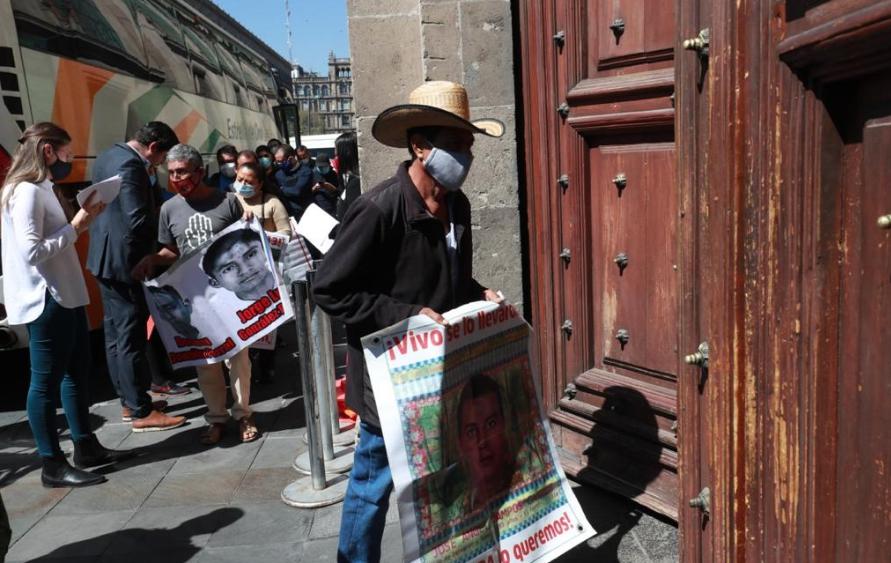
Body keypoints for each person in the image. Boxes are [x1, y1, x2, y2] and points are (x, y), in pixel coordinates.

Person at [312, 80, 505, 563]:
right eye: (457, 144)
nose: (467, 154)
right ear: (420, 146)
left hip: (438, 375)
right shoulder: (379, 209)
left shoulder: (455, 205)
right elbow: (329, 289)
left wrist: (477, 293)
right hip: (387, 381)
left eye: (469, 145)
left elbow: (448, 276)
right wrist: (403, 315)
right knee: (372, 484)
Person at [1, 122, 131, 487]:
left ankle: (85, 445)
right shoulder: (25, 191)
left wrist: (79, 222)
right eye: (67, 152)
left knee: (76, 372)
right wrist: (77, 224)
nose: (70, 160)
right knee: (44, 382)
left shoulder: (40, 187)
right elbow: (32, 252)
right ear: (47, 151)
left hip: (65, 294)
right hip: (46, 298)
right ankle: (51, 464)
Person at [132, 143, 259, 445]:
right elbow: (170, 250)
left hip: (229, 297)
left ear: (199, 172)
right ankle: (216, 418)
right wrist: (153, 258)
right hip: (194, 299)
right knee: (206, 362)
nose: (177, 178)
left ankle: (244, 415)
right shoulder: (168, 209)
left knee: (239, 359)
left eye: (182, 172)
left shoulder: (228, 202)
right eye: (172, 173)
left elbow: (245, 239)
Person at [86, 121, 187, 430]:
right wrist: (160, 240)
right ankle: (141, 411)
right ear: (154, 147)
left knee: (115, 334)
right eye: (162, 157)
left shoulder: (107, 155)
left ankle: (129, 401)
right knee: (130, 334)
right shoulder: (131, 166)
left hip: (104, 257)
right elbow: (137, 220)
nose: (160, 163)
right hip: (126, 262)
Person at [231, 161, 289, 383]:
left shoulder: (272, 203)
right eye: (240, 180)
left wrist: (260, 236)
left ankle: (266, 366)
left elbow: (286, 233)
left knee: (266, 322)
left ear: (260, 184)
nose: (243, 185)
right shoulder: (229, 201)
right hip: (240, 277)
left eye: (249, 182)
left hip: (266, 274)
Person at [452, 375, 514, 509]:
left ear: (505, 427)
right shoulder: (456, 512)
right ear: (461, 444)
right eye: (472, 432)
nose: (482, 441)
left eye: (491, 424)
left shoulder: (527, 481)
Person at [200, 228, 276, 302]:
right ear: (215, 283)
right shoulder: (218, 310)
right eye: (229, 268)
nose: (245, 270)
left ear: (265, 249)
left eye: (251, 255)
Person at [273, 144, 314, 219]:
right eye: (277, 162)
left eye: (281, 161)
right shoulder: (278, 174)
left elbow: (297, 191)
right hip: (286, 216)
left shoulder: (306, 171)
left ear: (291, 158)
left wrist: (281, 189)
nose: (279, 164)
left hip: (304, 215)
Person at [335, 131, 361, 221]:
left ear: (347, 154)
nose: (335, 159)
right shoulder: (350, 179)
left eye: (337, 155)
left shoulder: (356, 183)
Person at [312, 153, 339, 217]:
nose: (322, 168)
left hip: (332, 206)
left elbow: (339, 191)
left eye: (324, 166)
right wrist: (314, 188)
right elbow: (307, 193)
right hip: (318, 207)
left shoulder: (333, 174)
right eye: (320, 167)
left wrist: (331, 187)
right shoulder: (313, 174)